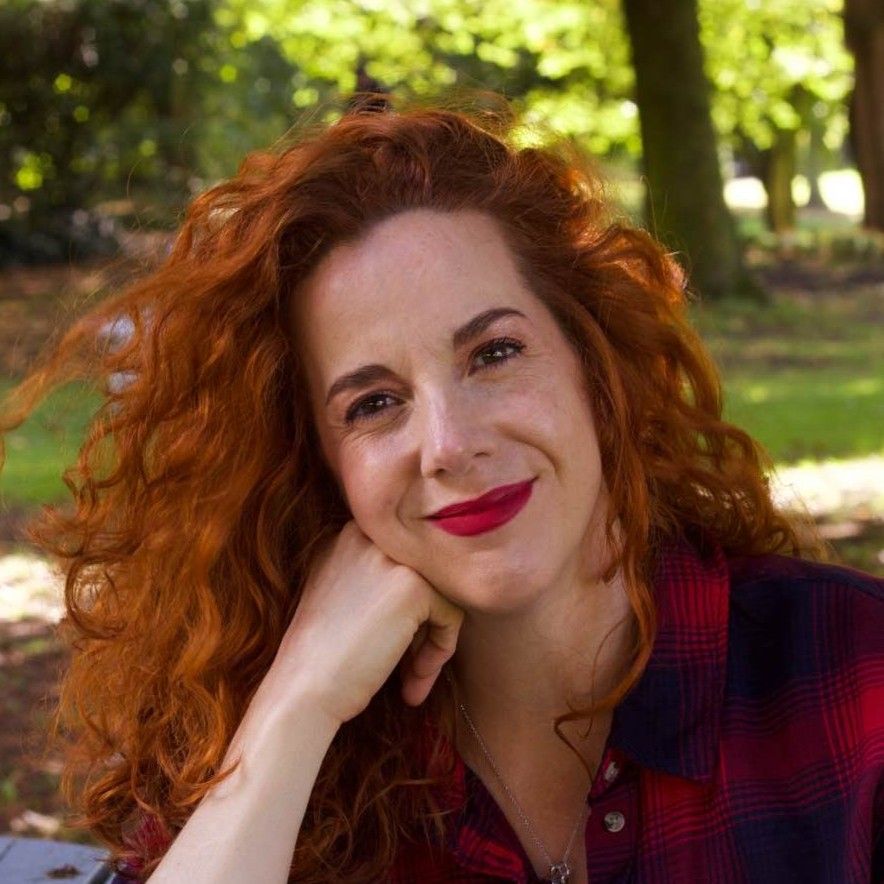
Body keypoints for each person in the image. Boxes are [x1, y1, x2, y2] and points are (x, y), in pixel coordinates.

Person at [2, 98, 882, 884]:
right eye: (375, 403)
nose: (450, 445)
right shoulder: (292, 739)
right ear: (316, 462)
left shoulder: (851, 673)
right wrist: (298, 704)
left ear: (595, 361)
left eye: (494, 353)